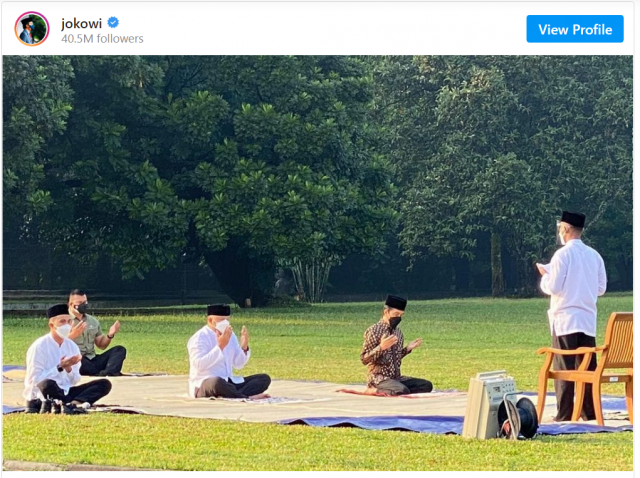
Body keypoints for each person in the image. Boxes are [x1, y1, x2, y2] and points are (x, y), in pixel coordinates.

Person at [536, 210, 607, 422]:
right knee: (586, 365)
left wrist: (545, 276)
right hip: (587, 319)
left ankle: (565, 412)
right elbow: (601, 288)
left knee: (564, 366)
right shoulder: (594, 255)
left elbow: (554, 287)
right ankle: (588, 411)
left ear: (566, 229)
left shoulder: (562, 255)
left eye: (560, 228)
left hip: (565, 318)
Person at [23, 304, 112, 414]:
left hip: (65, 392)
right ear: (51, 325)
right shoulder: (39, 346)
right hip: (41, 395)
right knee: (46, 384)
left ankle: (72, 403)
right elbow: (34, 380)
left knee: (104, 384)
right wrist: (59, 367)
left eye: (69, 321)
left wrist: (69, 369)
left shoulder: (72, 346)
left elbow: (74, 380)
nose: (66, 325)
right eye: (62, 322)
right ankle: (67, 404)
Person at [187, 304, 271, 399]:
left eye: (227, 320)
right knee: (217, 382)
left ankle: (232, 394)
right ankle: (245, 397)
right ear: (210, 320)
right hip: (204, 383)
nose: (225, 323)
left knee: (263, 379)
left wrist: (244, 347)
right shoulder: (200, 337)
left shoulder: (231, 335)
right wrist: (220, 347)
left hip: (228, 382)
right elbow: (199, 365)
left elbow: (238, 364)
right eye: (222, 320)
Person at [360, 295, 432, 395]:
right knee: (401, 390)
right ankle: (374, 390)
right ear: (386, 312)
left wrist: (408, 349)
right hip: (378, 379)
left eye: (401, 315)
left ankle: (394, 390)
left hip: (395, 378)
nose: (398, 317)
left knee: (426, 385)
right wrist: (381, 347)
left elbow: (395, 357)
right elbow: (364, 359)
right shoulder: (374, 331)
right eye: (396, 314)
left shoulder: (398, 332)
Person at [67, 289, 127, 376]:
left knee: (119, 350)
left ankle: (108, 372)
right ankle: (99, 373)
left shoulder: (92, 321)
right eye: (80, 303)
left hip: (92, 359)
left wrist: (110, 335)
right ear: (70, 304)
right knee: (79, 359)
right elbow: (57, 344)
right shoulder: (64, 320)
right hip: (77, 360)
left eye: (85, 302)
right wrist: (72, 335)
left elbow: (101, 345)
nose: (83, 305)